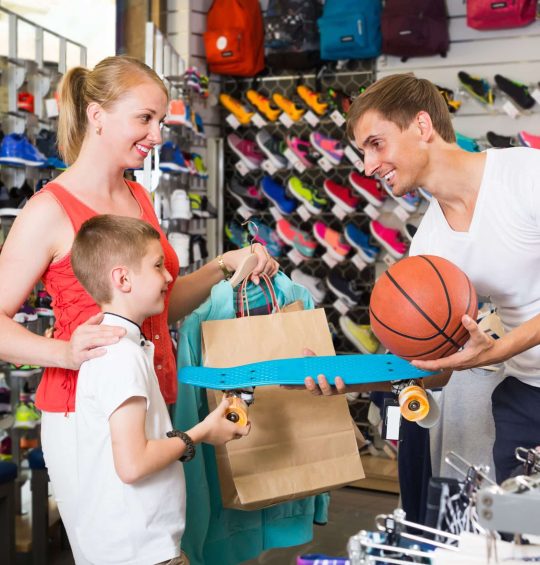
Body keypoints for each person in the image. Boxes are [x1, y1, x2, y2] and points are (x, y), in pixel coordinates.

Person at [0, 55, 277, 562]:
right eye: (144, 119)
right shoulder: (48, 210)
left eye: (161, 121)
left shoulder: (137, 196)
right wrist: (63, 352)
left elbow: (161, 308)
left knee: (162, 543)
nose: (157, 135)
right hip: (86, 411)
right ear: (97, 115)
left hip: (150, 397)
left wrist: (222, 265)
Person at [338, 73, 540, 484]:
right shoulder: (430, 246)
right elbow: (439, 367)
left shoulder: (525, 175)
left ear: (422, 126)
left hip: (516, 372)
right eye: (362, 152)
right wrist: (348, 378)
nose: (368, 165)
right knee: (514, 538)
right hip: (526, 396)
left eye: (376, 144)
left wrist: (502, 350)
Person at [69, 214, 249, 565]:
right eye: (157, 266)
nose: (169, 277)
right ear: (122, 278)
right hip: (138, 551)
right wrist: (201, 432)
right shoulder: (121, 356)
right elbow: (133, 465)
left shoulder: (118, 346)